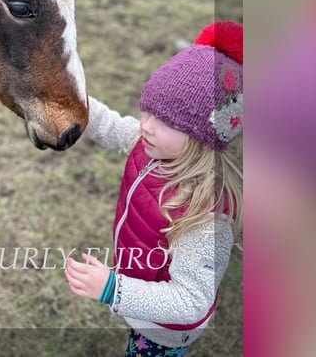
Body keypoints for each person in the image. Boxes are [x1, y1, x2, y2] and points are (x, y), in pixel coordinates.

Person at [64, 21, 244, 356]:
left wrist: (111, 289)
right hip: (141, 289)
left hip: (164, 330)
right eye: (147, 110)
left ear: (202, 136)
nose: (146, 124)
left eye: (164, 121)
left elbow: (190, 301)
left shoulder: (206, 213)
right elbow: (112, 126)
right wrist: (72, 102)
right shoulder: (152, 146)